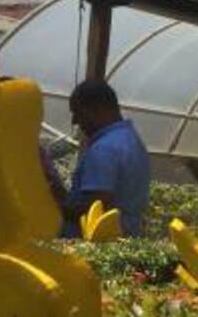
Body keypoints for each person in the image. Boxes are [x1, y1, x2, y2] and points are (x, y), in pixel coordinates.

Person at [61, 79, 151, 238]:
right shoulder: (132, 141)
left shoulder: (104, 149)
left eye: (78, 113)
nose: (75, 121)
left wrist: (54, 205)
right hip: (126, 241)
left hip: (98, 246)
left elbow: (95, 210)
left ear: (97, 108)